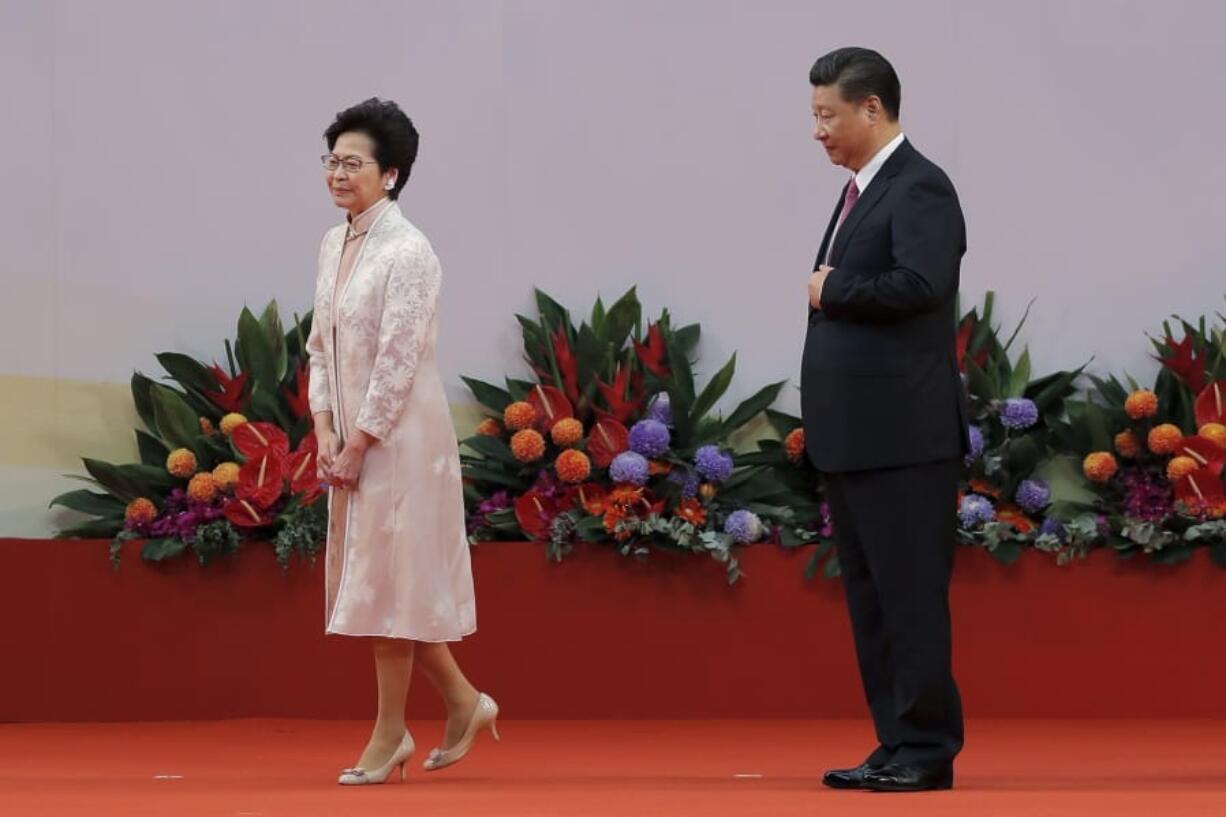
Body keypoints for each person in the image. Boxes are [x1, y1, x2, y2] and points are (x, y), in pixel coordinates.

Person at [306, 97, 499, 786]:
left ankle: (392, 733)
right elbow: (320, 345)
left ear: (391, 174)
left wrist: (361, 439)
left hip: (402, 440)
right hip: (352, 438)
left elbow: (399, 358)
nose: (337, 173)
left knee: (389, 585)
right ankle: (462, 701)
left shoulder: (410, 251)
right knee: (385, 585)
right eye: (331, 160)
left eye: (352, 162)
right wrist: (326, 426)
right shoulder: (335, 243)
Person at [800, 48, 970, 792]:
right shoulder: (862, 191)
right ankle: (896, 738)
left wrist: (835, 289)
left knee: (908, 598)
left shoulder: (921, 186)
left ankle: (928, 747)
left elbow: (921, 283)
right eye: (815, 116)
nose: (819, 131)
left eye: (828, 115)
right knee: (873, 603)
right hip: (858, 437)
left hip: (903, 437)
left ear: (873, 109)